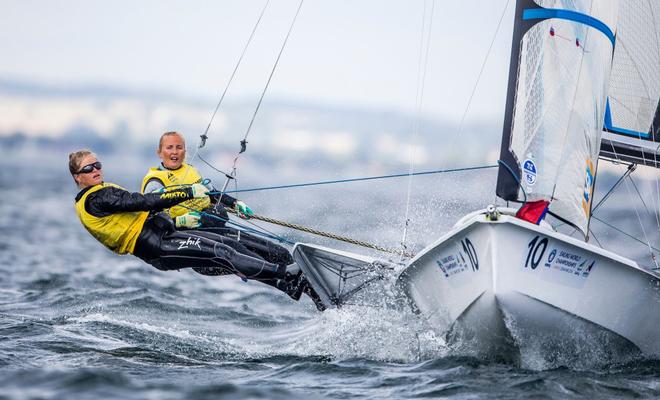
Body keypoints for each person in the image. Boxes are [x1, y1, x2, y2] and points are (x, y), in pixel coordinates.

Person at [69, 149, 324, 310]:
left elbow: (144, 213)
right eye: (88, 168)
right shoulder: (95, 198)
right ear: (77, 177)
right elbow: (145, 201)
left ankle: (290, 285)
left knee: (229, 249)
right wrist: (188, 192)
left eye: (97, 164)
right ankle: (288, 274)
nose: (96, 170)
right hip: (154, 247)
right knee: (222, 252)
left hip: (163, 235)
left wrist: (180, 221)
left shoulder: (102, 192)